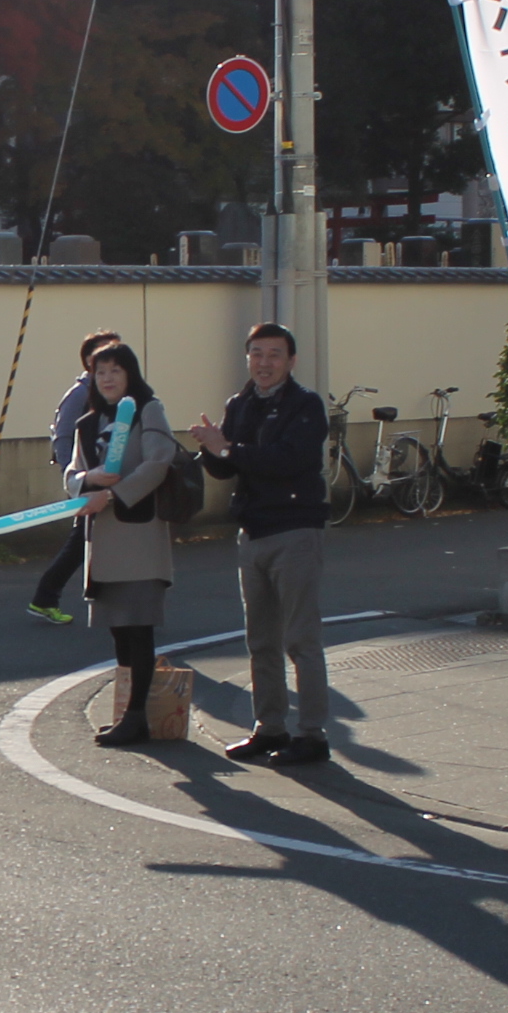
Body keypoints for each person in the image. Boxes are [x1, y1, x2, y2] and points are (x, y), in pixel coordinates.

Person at [190, 322, 332, 767]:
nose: (264, 363)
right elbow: (227, 471)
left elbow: (289, 461)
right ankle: (268, 727)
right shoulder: (241, 404)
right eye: (256, 354)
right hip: (252, 533)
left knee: (300, 639)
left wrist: (227, 449)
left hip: (295, 531)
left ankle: (311, 734)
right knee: (260, 640)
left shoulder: (306, 405)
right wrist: (212, 450)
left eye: (274, 355)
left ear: (291, 361)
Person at [69, 343, 180, 748]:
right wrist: (89, 480)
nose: (108, 378)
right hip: (102, 539)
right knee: (118, 629)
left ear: (130, 373)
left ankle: (136, 717)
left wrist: (113, 497)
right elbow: (73, 472)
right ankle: (126, 713)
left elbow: (158, 461)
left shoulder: (148, 410)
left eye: (116, 370)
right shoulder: (88, 422)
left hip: (139, 534)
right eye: (100, 372)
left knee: (139, 628)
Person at [28, 333, 118, 627]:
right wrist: (74, 479)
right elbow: (63, 436)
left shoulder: (110, 394)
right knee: (81, 542)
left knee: (96, 542)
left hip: (104, 480)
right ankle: (44, 599)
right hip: (85, 481)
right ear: (92, 362)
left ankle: (102, 600)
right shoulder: (80, 394)